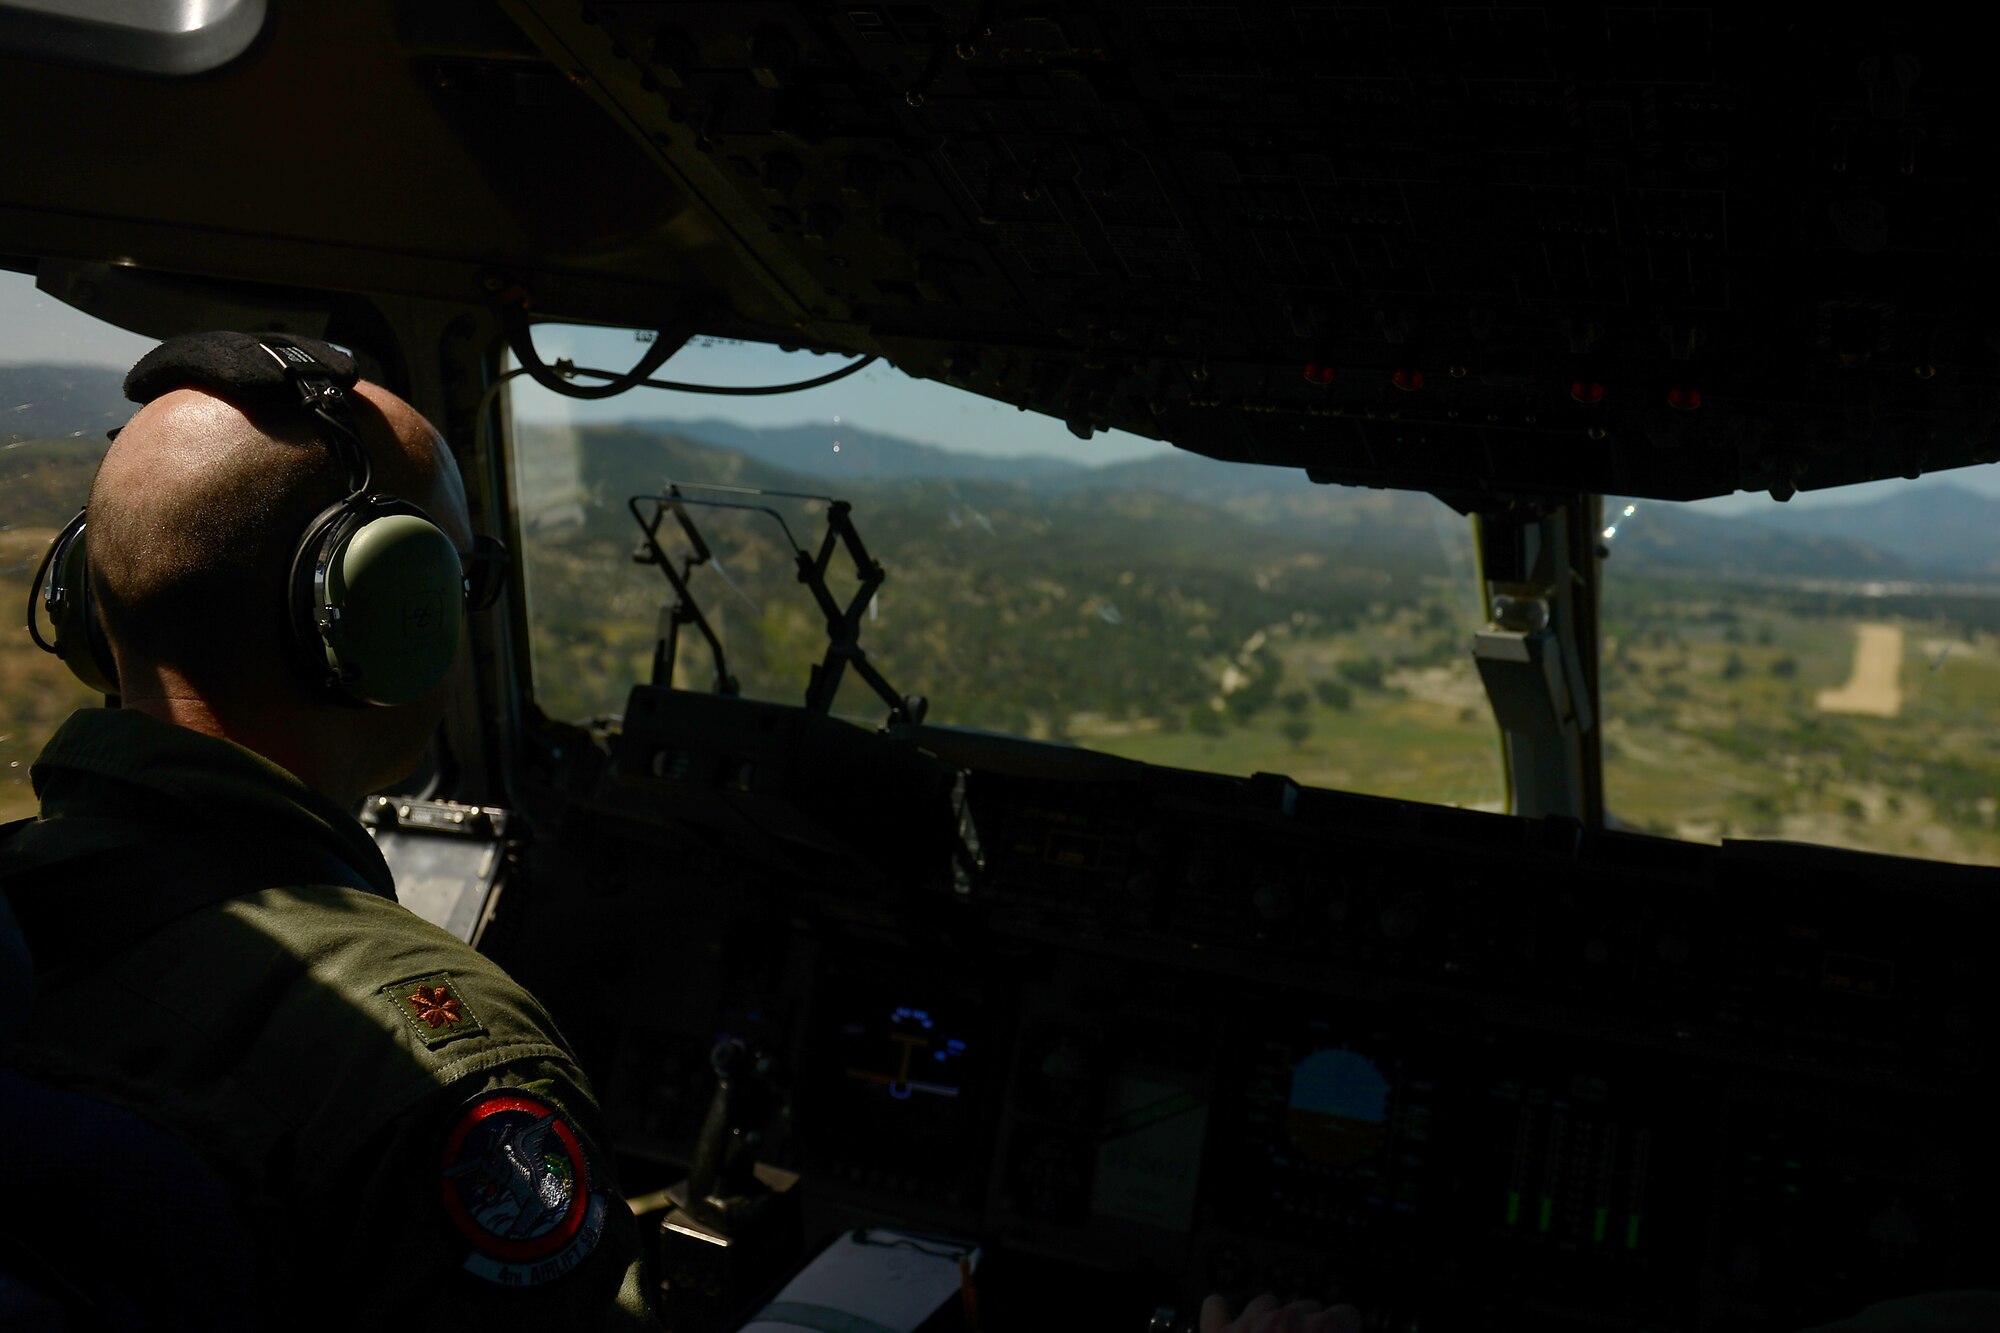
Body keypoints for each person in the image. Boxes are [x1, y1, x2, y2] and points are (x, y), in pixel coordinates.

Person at [0, 333, 657, 1328]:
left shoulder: (19, 909)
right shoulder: (438, 1067)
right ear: (390, 607)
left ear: (88, 600)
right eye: (456, 580)